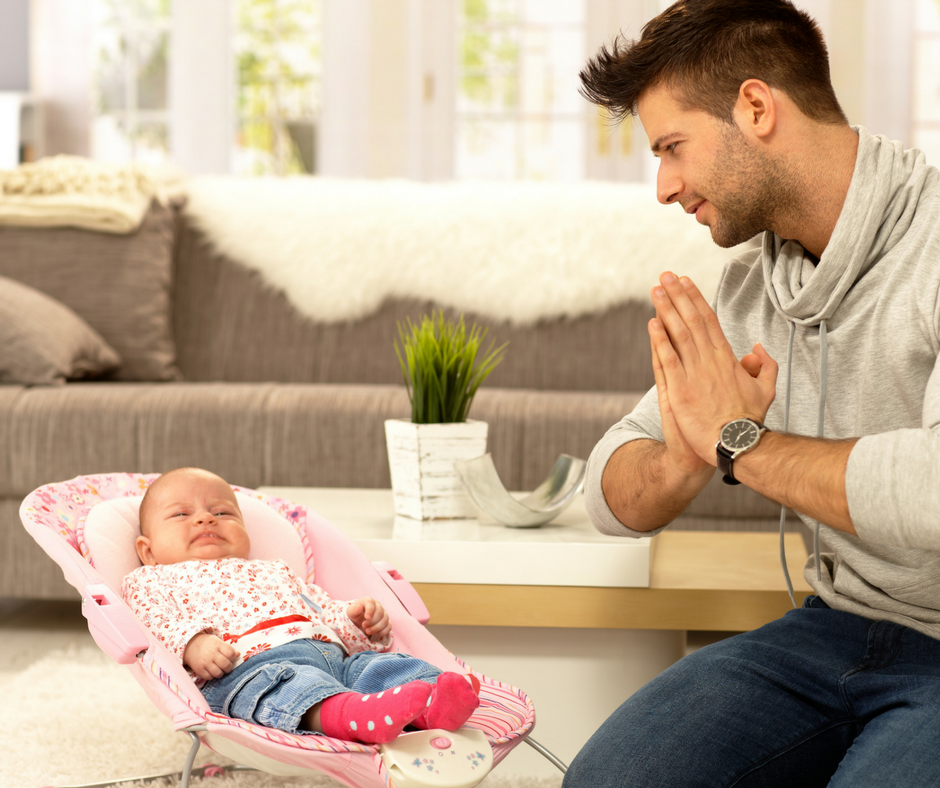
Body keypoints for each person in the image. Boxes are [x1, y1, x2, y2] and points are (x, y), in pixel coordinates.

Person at [566, 0, 940, 786]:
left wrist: (742, 443)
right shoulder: (752, 284)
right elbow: (608, 490)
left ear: (757, 107)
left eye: (672, 147)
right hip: (838, 630)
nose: (663, 187)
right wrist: (684, 454)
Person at [122, 467, 480, 745]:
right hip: (246, 668)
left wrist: (356, 620)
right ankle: (354, 716)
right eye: (181, 515)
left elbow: (321, 609)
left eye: (223, 513)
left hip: (334, 658)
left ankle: (435, 701)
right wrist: (193, 644)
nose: (206, 518)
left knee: (380, 666)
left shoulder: (275, 569)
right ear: (148, 551)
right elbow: (152, 619)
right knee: (294, 686)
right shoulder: (154, 579)